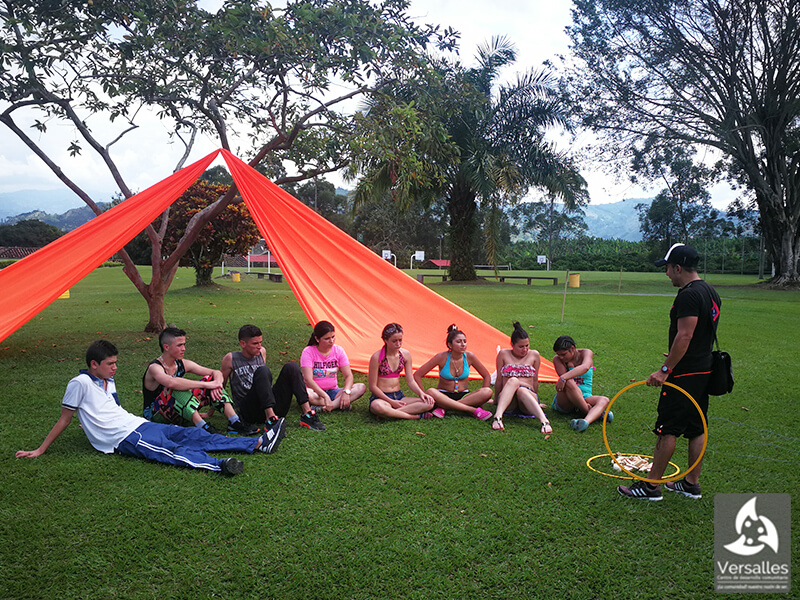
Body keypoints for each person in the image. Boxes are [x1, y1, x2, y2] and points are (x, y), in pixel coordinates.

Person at [15, 340, 286, 476]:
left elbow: (113, 407)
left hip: (137, 424)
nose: (115, 368)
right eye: (110, 364)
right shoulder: (79, 383)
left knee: (192, 434)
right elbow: (65, 419)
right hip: (123, 437)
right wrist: (40, 450)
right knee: (170, 451)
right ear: (93, 364)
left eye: (115, 363)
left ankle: (257, 444)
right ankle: (219, 466)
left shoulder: (107, 380)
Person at [618, 243, 721, 501]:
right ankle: (691, 484)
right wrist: (677, 355)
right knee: (697, 427)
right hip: (703, 369)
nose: (666, 274)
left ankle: (651, 487)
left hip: (684, 374)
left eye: (667, 268)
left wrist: (666, 369)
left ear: (678, 267)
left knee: (668, 428)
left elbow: (685, 335)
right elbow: (698, 336)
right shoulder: (710, 291)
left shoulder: (688, 295)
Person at [142, 326, 258, 435]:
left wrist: (216, 383)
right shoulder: (155, 367)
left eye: (184, 344)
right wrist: (207, 385)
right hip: (156, 417)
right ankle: (203, 427)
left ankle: (234, 422)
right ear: (166, 347)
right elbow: (171, 382)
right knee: (175, 387)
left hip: (178, 412)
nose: (184, 349)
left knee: (210, 378)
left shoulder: (181, 364)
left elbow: (215, 372)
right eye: (179, 345)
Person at [221, 324, 325, 432]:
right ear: (243, 343)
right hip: (249, 410)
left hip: (270, 404)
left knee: (291, 367)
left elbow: (264, 382)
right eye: (255, 343)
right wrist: (213, 410)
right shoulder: (231, 359)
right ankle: (270, 418)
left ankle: (307, 413)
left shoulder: (262, 352)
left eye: (260, 342)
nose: (259, 346)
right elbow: (220, 388)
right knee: (263, 371)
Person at [414, 324, 493, 420]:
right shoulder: (441, 357)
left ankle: (445, 408)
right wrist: (424, 396)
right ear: (450, 345)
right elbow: (417, 375)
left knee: (487, 391)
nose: (463, 344)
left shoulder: (470, 356)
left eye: (465, 341)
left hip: (464, 395)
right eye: (459, 342)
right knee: (431, 391)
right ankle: (472, 409)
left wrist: (482, 401)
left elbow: (486, 376)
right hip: (443, 395)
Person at [368, 323, 436, 420]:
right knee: (377, 406)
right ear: (385, 340)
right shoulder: (377, 357)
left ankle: (389, 414)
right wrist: (391, 402)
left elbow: (411, 381)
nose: (398, 344)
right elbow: (373, 386)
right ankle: (414, 416)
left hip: (399, 396)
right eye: (394, 341)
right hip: (382, 398)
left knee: (429, 403)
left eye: (400, 340)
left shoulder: (405, 355)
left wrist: (421, 393)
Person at [492, 322, 551, 433]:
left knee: (521, 390)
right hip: (508, 397)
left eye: (527, 346)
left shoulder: (534, 355)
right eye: (521, 347)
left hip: (527, 395)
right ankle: (498, 417)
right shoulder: (503, 354)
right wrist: (496, 400)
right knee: (513, 381)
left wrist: (536, 401)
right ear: (512, 344)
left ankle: (544, 421)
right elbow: (499, 379)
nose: (525, 349)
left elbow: (535, 380)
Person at [301, 320, 366, 412]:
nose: (331, 341)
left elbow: (349, 376)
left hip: (334, 392)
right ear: (317, 339)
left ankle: (328, 407)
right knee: (306, 393)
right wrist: (325, 396)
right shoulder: (308, 351)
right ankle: (338, 405)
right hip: (315, 393)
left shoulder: (339, 350)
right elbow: (308, 380)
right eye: (327, 339)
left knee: (361, 387)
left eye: (333, 337)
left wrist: (346, 392)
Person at [551, 335, 611, 433]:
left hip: (585, 396)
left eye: (564, 354)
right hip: (566, 399)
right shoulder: (557, 359)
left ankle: (585, 421)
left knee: (604, 400)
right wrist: (564, 378)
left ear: (572, 349)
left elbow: (585, 367)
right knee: (569, 381)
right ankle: (591, 412)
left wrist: (563, 377)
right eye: (559, 354)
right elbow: (565, 381)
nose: (561, 357)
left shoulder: (586, 353)